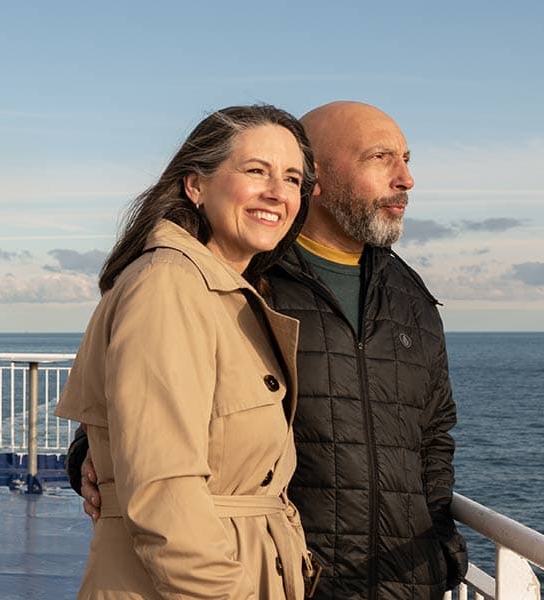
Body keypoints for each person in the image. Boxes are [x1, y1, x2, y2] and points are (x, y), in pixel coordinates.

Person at [69, 101, 468, 599]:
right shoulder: (240, 281)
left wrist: (441, 542)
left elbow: (434, 431)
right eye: (380, 157)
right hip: (284, 575)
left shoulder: (411, 297)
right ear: (320, 176)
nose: (405, 178)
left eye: (407, 159)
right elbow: (149, 416)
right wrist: (92, 453)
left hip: (398, 581)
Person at [54, 104, 318, 599]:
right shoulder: (169, 288)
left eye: (292, 178)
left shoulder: (220, 290)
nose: (276, 192)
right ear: (195, 186)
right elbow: (164, 492)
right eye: (256, 171)